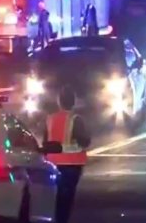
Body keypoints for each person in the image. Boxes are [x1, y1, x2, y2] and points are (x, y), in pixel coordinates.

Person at [43, 86, 91, 223]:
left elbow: (45, 142)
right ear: (73, 102)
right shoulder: (75, 119)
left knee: (54, 198)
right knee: (66, 199)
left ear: (59, 101)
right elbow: (84, 141)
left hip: (52, 163)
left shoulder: (50, 119)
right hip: (72, 165)